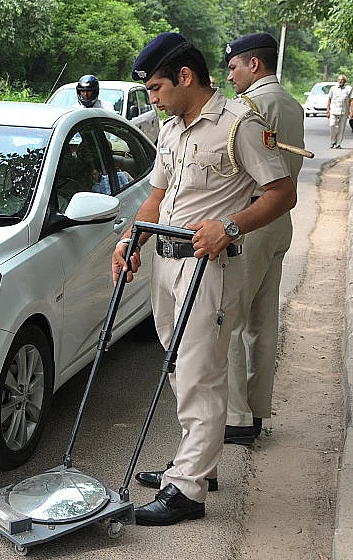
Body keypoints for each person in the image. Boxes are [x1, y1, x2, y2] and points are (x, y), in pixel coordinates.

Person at [113, 32, 295, 526]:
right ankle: (196, 461)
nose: (152, 99)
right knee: (178, 365)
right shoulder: (171, 129)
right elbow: (157, 197)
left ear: (185, 76)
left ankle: (188, 489)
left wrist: (230, 226)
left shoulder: (239, 124)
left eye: (156, 88)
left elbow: (282, 193)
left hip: (207, 268)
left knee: (201, 373)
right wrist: (130, 240)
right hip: (165, 264)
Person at [220, 32, 305, 445]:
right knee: (263, 323)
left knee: (229, 319)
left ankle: (235, 417)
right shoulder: (292, 104)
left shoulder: (247, 106)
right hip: (279, 221)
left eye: (233, 67)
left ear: (254, 64)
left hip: (252, 219)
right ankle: (255, 410)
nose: (229, 76)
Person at [327, 75, 352, 147]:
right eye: (339, 79)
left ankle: (338, 143)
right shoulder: (333, 89)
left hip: (344, 111)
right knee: (332, 125)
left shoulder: (348, 89)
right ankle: (333, 141)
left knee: (341, 128)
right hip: (333, 111)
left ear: (345, 81)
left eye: (342, 80)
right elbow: (329, 100)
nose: (340, 81)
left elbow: (352, 100)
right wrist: (328, 110)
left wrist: (352, 111)